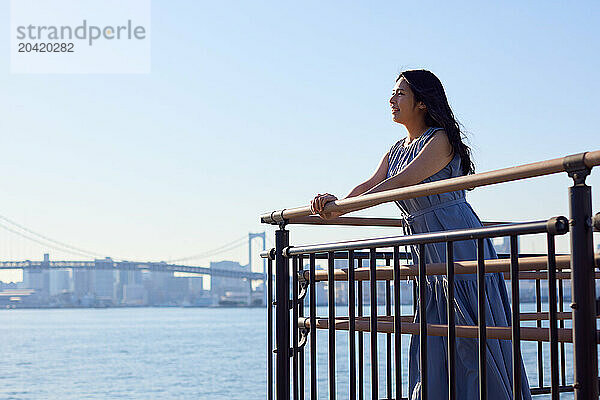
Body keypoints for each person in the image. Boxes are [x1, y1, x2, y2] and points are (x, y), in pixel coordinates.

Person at [310, 69, 531, 400]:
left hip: (457, 240)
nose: (392, 100)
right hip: (426, 249)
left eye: (400, 93)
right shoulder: (397, 148)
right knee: (435, 333)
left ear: (422, 103)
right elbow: (371, 185)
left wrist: (343, 209)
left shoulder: (439, 140)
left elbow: (400, 184)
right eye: (393, 93)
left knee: (471, 332)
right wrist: (336, 201)